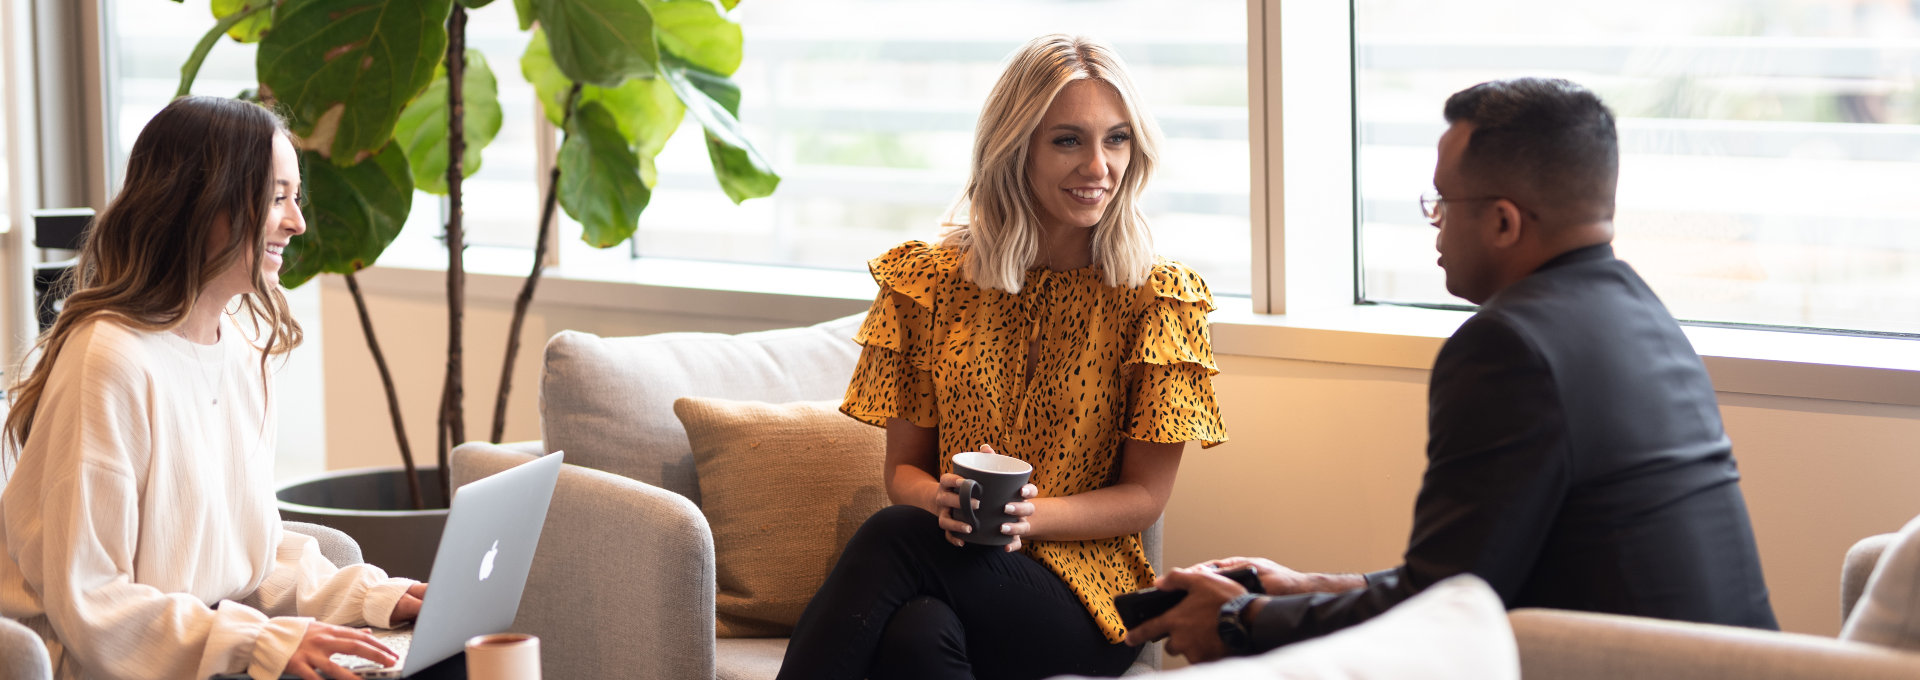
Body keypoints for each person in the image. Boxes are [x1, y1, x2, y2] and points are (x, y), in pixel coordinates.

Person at [1126, 77, 1779, 662]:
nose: (1433, 225)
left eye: (1441, 202)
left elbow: (1442, 607)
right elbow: (1476, 574)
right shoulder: (1639, 315)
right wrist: (1305, 586)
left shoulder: (1508, 345)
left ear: (1502, 221)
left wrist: (1243, 621)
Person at [775, 35, 1229, 680]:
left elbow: (1145, 497)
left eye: (1117, 139)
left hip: (1091, 600)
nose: (1099, 165)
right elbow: (903, 470)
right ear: (1016, 147)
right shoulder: (931, 282)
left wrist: (1024, 518)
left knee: (891, 538)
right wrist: (941, 503)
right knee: (917, 633)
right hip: (960, 565)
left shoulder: (1158, 300)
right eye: (1068, 140)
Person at [0, 96, 429, 680]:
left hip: (194, 654)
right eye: (277, 197)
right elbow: (93, 604)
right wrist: (258, 644)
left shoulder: (241, 349)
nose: (297, 221)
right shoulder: (109, 360)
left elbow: (240, 561)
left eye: (294, 198)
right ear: (204, 206)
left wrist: (373, 598)